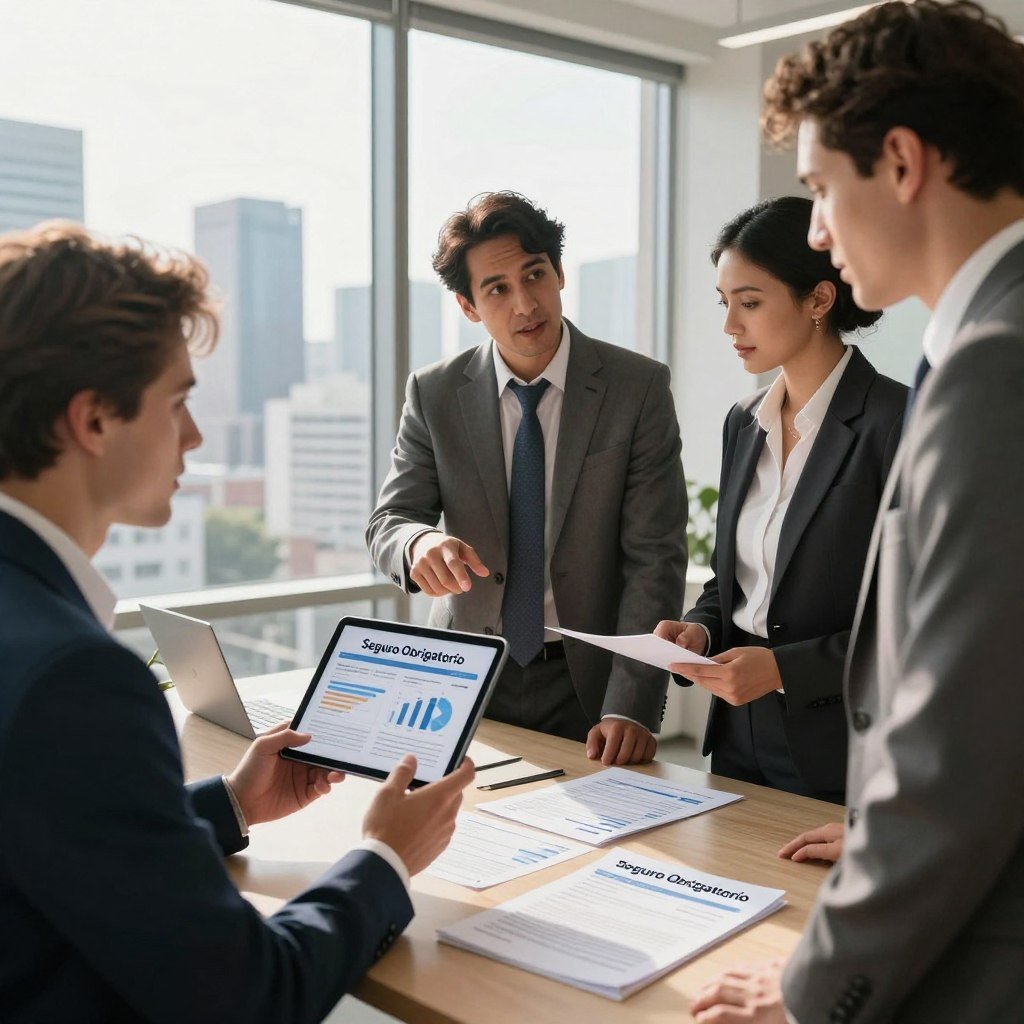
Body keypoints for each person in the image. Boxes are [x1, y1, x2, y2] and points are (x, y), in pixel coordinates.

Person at [0, 221, 474, 1024]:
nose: (196, 434)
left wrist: (230, 803)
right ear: (92, 421)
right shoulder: (76, 679)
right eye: (178, 401)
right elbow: (249, 997)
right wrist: (386, 856)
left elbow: (48, 834)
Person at [692, 2, 1024, 1021]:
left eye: (820, 190)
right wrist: (886, 823)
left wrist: (809, 992)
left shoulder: (991, 365)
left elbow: (958, 749)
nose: (820, 230)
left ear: (901, 160)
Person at [367, 192, 687, 765]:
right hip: (463, 677)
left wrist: (632, 702)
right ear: (468, 306)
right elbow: (389, 522)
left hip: (587, 683)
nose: (525, 304)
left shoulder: (636, 388)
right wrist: (418, 542)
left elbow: (654, 557)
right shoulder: (434, 394)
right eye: (497, 289)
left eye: (535, 274)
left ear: (560, 273)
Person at [655, 197, 906, 804]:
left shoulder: (899, 423)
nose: (730, 326)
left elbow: (915, 620)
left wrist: (785, 669)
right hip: (737, 731)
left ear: (819, 300)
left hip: (842, 739)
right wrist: (699, 632)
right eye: (725, 304)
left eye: (750, 303)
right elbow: (732, 583)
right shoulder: (744, 421)